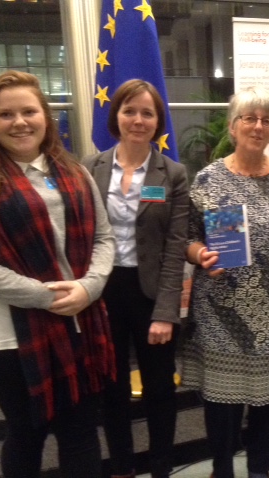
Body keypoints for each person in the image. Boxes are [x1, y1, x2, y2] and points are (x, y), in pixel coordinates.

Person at [0, 70, 116, 477]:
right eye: (6, 114)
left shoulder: (74, 172)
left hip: (78, 324)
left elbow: (105, 239)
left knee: (80, 433)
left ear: (45, 117)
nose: (19, 122)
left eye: (28, 111)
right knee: (27, 434)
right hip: (7, 339)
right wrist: (44, 295)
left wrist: (89, 288)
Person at [181, 86, 269, 478]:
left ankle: (260, 469)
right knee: (222, 403)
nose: (258, 126)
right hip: (220, 311)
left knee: (267, 400)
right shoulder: (207, 179)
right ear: (233, 126)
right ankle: (222, 469)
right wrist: (200, 255)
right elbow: (186, 237)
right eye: (249, 118)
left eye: (267, 120)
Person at [83, 79, 189, 478]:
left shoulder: (171, 173)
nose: (138, 120)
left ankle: (162, 468)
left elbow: (176, 246)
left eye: (147, 113)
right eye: (130, 111)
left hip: (151, 295)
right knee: (112, 391)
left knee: (160, 390)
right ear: (117, 116)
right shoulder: (90, 169)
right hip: (103, 292)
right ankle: (123, 469)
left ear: (157, 120)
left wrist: (166, 312)